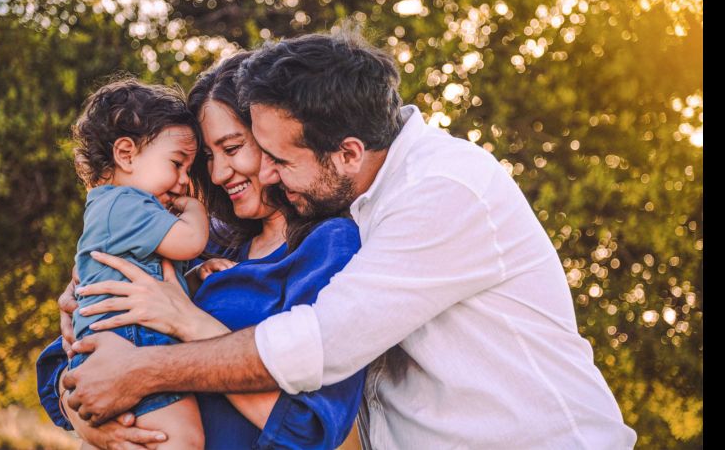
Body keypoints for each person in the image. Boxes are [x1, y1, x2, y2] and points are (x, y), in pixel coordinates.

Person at [57, 32, 638, 448]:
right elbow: (78, 355)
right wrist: (86, 402)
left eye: (270, 155)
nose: (264, 173)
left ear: (348, 153)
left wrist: (145, 368)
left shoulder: (440, 190)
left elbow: (318, 348)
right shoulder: (244, 234)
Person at [37, 52, 366, 449]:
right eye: (208, 157)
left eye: (232, 147)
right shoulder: (201, 241)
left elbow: (308, 430)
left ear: (272, 138)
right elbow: (60, 367)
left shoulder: (331, 246)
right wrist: (92, 421)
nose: (217, 173)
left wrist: (184, 320)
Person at [63, 77, 208, 449]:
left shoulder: (114, 209)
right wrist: (195, 209)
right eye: (177, 164)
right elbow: (190, 241)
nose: (183, 181)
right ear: (126, 154)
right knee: (181, 439)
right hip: (131, 341)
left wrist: (197, 276)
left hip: (115, 343)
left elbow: (160, 281)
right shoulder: (127, 203)